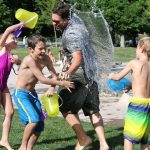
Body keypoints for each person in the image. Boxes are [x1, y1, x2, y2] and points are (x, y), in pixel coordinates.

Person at [52, 4, 109, 150]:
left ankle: (83, 139)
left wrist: (68, 72)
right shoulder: (77, 23)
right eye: (53, 20)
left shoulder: (71, 34)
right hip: (91, 73)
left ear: (67, 19)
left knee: (63, 106)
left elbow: (77, 58)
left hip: (78, 76)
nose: (54, 24)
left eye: (57, 21)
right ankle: (103, 144)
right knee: (93, 110)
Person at [13, 34, 74, 150]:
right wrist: (62, 84)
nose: (43, 51)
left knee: (40, 125)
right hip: (21, 94)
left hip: (32, 93)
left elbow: (54, 75)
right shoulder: (29, 60)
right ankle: (22, 146)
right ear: (31, 49)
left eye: (44, 48)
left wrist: (52, 87)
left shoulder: (46, 58)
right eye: (40, 49)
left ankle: (29, 148)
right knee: (34, 119)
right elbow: (41, 78)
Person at [109, 37, 150, 150]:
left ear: (141, 48)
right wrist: (131, 85)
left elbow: (117, 77)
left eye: (136, 48)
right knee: (144, 138)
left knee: (128, 137)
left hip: (137, 105)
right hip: (148, 104)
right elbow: (144, 81)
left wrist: (111, 75)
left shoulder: (133, 63)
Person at [0, 23, 23, 150]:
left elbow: (21, 63)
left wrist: (17, 61)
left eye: (16, 38)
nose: (16, 40)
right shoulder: (1, 48)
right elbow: (8, 29)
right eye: (13, 38)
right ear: (4, 40)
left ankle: (4, 140)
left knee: (10, 112)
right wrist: (21, 24)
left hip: (3, 86)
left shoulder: (13, 56)